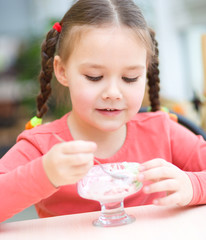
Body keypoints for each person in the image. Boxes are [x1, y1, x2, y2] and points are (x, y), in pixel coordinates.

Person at [0, 0, 206, 222]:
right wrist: (45, 173)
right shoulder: (41, 147)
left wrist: (193, 186)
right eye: (94, 77)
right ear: (62, 71)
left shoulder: (163, 131)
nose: (113, 93)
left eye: (130, 78)